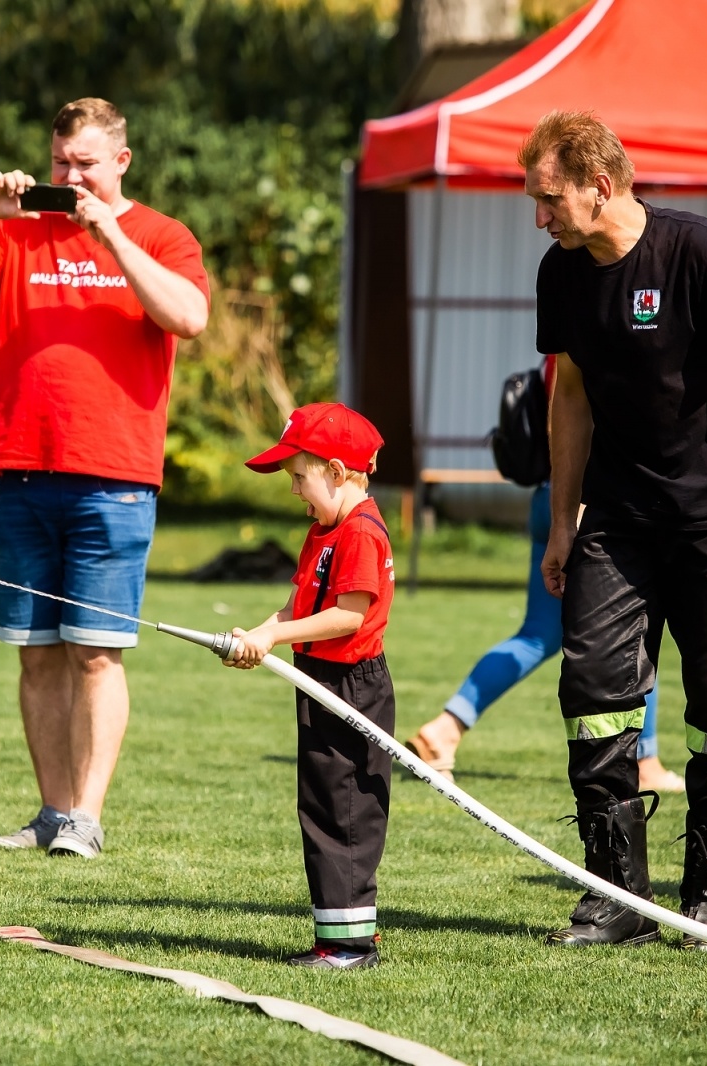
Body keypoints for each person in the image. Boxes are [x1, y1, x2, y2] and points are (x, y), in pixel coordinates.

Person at [523, 111, 707, 949]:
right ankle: (616, 898)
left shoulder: (701, 253)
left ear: (602, 185)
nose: (538, 217)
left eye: (548, 198)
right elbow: (571, 398)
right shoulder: (561, 274)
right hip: (616, 522)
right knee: (591, 697)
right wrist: (562, 523)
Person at [0, 98, 209, 859]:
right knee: (37, 652)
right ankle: (50, 813)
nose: (70, 177)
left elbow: (189, 318)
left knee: (96, 652)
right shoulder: (14, 232)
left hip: (114, 477)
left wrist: (108, 231)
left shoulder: (161, 236)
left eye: (85, 164)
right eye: (60, 163)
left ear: (121, 162)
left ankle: (86, 819)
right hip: (22, 472)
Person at [223, 403, 397, 970]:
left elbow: (347, 616)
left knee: (345, 812)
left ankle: (350, 947)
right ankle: (336, 940)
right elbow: (302, 605)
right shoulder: (323, 532)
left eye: (300, 476)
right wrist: (261, 634)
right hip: (319, 678)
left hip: (352, 687)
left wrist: (277, 639)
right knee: (320, 808)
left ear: (338, 472)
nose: (296, 490)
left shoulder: (360, 534)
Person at [406, 478, 683, 792]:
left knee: (537, 636)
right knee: (636, 630)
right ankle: (644, 762)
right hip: (590, 503)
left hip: (549, 496)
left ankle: (445, 730)